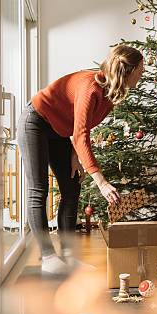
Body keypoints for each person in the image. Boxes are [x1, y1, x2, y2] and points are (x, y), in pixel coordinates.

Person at [18, 45, 144, 274]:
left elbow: (81, 127)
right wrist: (102, 183)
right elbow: (81, 134)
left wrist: (75, 155)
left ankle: (67, 256)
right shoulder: (91, 88)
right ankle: (47, 257)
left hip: (58, 132)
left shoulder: (111, 94)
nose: (142, 74)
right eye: (141, 70)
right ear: (130, 70)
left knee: (72, 185)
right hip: (35, 121)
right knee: (39, 189)